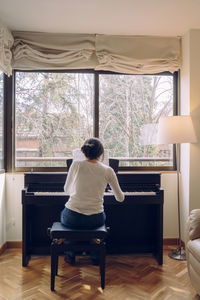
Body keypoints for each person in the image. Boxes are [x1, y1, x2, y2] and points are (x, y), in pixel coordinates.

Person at [61, 137, 124, 263]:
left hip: (72, 217)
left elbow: (66, 190)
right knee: (97, 223)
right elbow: (120, 198)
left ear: (84, 151)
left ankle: (70, 253)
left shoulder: (76, 165)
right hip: (95, 219)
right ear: (101, 153)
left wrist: (77, 189)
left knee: (67, 220)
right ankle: (95, 255)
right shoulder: (108, 170)